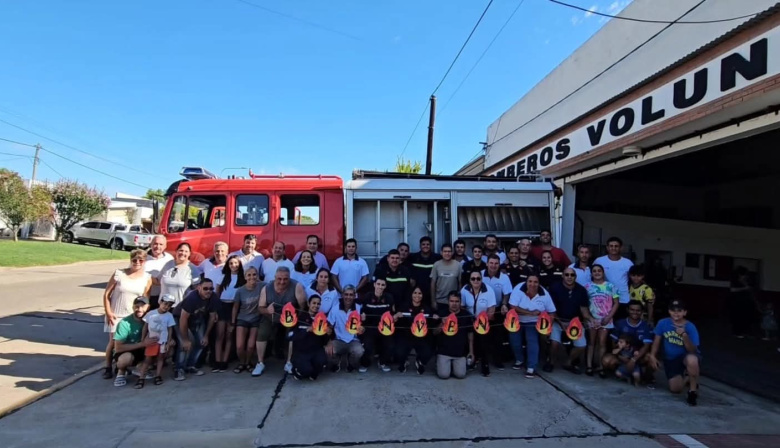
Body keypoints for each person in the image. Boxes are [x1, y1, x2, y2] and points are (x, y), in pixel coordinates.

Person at [102, 249, 152, 380]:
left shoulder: (147, 278)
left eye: (140, 260)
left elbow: (146, 297)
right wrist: (108, 311)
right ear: (130, 260)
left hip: (134, 314)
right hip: (116, 313)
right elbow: (107, 294)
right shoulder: (119, 274)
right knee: (113, 342)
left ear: (144, 261)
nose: (137, 262)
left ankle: (122, 366)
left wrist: (143, 316)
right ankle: (107, 366)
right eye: (134, 260)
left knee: (131, 340)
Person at [252, 267, 307, 376]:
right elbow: (260, 307)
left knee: (292, 334)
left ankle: (289, 362)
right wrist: (267, 310)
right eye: (279, 279)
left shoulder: (297, 286)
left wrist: (294, 318)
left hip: (289, 318)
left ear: (289, 278)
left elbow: (302, 307)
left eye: (285, 279)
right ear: (275, 277)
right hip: (271, 316)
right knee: (262, 333)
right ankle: (260, 362)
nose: (282, 282)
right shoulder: (267, 288)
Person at [648, 299, 701, 406]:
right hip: (671, 359)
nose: (676, 313)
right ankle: (687, 376)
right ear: (669, 311)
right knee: (675, 389)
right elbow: (656, 341)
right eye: (673, 310)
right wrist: (653, 355)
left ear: (685, 312)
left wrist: (684, 335)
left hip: (686, 356)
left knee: (692, 360)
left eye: (679, 310)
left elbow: (692, 350)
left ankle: (692, 391)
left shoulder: (690, 327)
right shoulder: (662, 323)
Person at [508, 274, 556, 378]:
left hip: (534, 322)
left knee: (532, 341)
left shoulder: (544, 294)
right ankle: (519, 360)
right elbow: (512, 306)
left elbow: (552, 312)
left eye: (535, 282)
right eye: (530, 281)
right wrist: (529, 312)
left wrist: (548, 328)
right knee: (514, 339)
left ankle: (531, 367)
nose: (532, 284)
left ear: (539, 283)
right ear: (526, 282)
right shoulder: (519, 289)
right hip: (517, 320)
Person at [172, 279, 219, 381]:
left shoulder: (214, 297)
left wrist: (206, 335)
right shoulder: (192, 298)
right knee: (183, 345)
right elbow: (183, 319)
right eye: (205, 288)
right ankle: (179, 369)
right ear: (199, 288)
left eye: (211, 288)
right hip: (179, 317)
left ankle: (190, 366)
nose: (208, 291)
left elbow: (212, 317)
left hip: (197, 318)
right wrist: (185, 339)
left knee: (202, 342)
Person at [546, 268, 591, 374]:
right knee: (554, 343)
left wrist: (592, 320)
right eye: (567, 274)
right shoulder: (554, 288)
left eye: (572, 275)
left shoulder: (581, 290)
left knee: (582, 345)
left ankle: (568, 362)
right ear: (562, 276)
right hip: (557, 320)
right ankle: (551, 362)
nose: (569, 277)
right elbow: (550, 309)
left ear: (575, 277)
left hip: (575, 323)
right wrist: (561, 323)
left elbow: (584, 310)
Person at [602, 300, 655, 384]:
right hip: (622, 355)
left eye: (638, 310)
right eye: (632, 310)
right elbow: (613, 343)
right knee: (606, 360)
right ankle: (623, 372)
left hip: (638, 356)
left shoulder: (645, 326)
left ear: (642, 311)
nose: (635, 312)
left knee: (651, 359)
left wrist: (633, 360)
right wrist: (621, 357)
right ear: (628, 310)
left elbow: (646, 346)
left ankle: (646, 378)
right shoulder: (620, 323)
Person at [584, 264, 620, 377]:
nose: (597, 273)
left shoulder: (610, 286)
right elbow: (584, 304)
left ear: (603, 272)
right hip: (592, 319)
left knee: (602, 343)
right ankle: (589, 366)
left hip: (606, 319)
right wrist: (589, 318)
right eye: (594, 271)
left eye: (599, 270)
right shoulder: (587, 286)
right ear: (591, 274)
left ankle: (600, 366)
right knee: (591, 343)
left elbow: (616, 303)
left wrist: (609, 317)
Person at [112, 297, 155, 387]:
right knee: (126, 358)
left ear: (148, 307)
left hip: (143, 349)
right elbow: (118, 348)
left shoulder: (152, 319)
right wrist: (142, 344)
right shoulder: (124, 323)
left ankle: (140, 367)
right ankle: (121, 372)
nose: (139, 309)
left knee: (166, 350)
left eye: (142, 306)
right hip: (127, 350)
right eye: (136, 306)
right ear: (132, 307)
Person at [135, 294, 176, 388]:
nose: (166, 307)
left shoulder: (169, 316)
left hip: (163, 341)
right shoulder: (151, 313)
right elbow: (145, 326)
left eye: (169, 305)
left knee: (160, 358)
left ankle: (158, 376)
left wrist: (168, 342)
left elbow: (170, 329)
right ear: (160, 302)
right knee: (147, 359)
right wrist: (143, 338)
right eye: (165, 304)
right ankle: (141, 378)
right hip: (152, 340)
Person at [394, 286, 437, 374]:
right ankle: (404, 361)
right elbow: (396, 322)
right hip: (407, 336)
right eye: (415, 293)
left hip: (421, 337)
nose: (417, 295)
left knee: (428, 352)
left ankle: (419, 361)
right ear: (411, 294)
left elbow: (432, 323)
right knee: (398, 352)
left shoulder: (427, 308)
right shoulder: (404, 306)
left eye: (419, 293)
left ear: (423, 295)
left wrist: (435, 318)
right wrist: (396, 317)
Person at [461, 271, 496, 377]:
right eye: (473, 279)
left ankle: (484, 363)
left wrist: (482, 320)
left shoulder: (489, 291)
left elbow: (492, 310)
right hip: (469, 319)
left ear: (481, 279)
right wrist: (469, 319)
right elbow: (461, 307)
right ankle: (470, 360)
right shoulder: (464, 290)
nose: (476, 280)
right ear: (470, 280)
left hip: (483, 320)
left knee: (483, 339)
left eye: (478, 278)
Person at [213, 255, 245, 372]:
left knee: (229, 335)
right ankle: (217, 361)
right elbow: (217, 293)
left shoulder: (243, 278)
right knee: (219, 335)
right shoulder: (223, 277)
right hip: (222, 306)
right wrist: (216, 311)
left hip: (235, 307)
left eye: (236, 263)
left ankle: (224, 362)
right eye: (231, 263)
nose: (233, 265)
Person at [289, 294, 331, 380]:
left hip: (316, 350)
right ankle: (296, 370)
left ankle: (313, 371)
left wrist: (328, 334)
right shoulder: (299, 318)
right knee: (306, 371)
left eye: (318, 304)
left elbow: (324, 341)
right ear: (309, 304)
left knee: (321, 364)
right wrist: (307, 330)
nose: (316, 306)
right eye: (314, 303)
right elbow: (291, 336)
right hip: (302, 351)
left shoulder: (322, 319)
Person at [435, 291, 475, 380]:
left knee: (461, 375)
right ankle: (442, 364)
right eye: (452, 301)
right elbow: (434, 332)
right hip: (444, 352)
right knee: (443, 375)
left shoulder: (466, 315)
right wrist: (442, 323)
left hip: (460, 353)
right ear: (448, 302)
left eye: (457, 301)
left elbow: (470, 333)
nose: (454, 304)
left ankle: (453, 366)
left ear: (460, 302)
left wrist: (471, 352)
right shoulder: (441, 313)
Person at [358, 277, 395, 373]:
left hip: (385, 327)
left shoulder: (389, 298)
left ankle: (382, 362)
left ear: (385, 286)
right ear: (374, 285)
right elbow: (362, 313)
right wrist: (363, 318)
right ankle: (365, 363)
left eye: (383, 285)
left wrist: (394, 317)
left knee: (389, 345)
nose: (380, 287)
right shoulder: (367, 296)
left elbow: (391, 313)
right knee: (368, 345)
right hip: (370, 327)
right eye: (378, 284)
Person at [232, 267, 264, 374]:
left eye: (254, 274)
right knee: (240, 346)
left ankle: (248, 362)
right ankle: (242, 363)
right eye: (249, 275)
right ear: (245, 277)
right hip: (242, 318)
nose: (252, 277)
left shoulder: (262, 286)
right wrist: (233, 322)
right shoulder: (240, 291)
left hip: (255, 319)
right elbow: (235, 307)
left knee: (251, 345)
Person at [594, 237, 633, 320]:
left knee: (620, 324)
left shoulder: (628, 263)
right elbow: (593, 277)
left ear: (621, 248)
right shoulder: (599, 261)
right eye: (611, 246)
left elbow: (633, 279)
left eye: (616, 246)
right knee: (604, 325)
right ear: (607, 247)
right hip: (604, 298)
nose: (613, 248)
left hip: (623, 299)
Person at [327, 285, 365, 372]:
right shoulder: (335, 308)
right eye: (346, 294)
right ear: (342, 295)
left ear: (355, 296)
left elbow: (363, 327)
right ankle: (336, 362)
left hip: (353, 340)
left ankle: (350, 362)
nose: (348, 297)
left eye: (351, 295)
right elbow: (329, 326)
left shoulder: (359, 309)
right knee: (328, 350)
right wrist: (329, 341)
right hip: (338, 340)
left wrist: (362, 329)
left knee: (359, 351)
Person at [430, 244, 462, 316]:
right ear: (441, 252)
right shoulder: (436, 265)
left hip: (453, 302)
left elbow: (460, 283)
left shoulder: (458, 265)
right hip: (440, 301)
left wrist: (460, 301)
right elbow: (433, 283)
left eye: (449, 251)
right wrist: (433, 301)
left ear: (452, 252)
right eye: (445, 251)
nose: (447, 253)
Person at [144, 235, 173, 309]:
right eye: (155, 243)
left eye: (161, 244)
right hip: (143, 296)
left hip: (162, 298)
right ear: (151, 244)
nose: (157, 246)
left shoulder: (170, 259)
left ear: (165, 246)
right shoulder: (142, 258)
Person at [409, 236, 441, 302]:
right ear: (420, 246)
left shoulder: (437, 258)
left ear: (431, 245)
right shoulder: (413, 258)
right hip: (417, 293)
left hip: (433, 292)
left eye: (427, 244)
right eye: (423, 244)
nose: (425, 246)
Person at [728, 266, 755, 338]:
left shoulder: (744, 281)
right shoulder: (734, 281)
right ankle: (736, 333)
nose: (746, 276)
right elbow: (732, 290)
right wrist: (744, 288)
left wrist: (745, 283)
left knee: (743, 317)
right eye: (744, 274)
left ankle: (742, 332)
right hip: (736, 302)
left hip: (744, 302)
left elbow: (749, 289)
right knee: (737, 317)